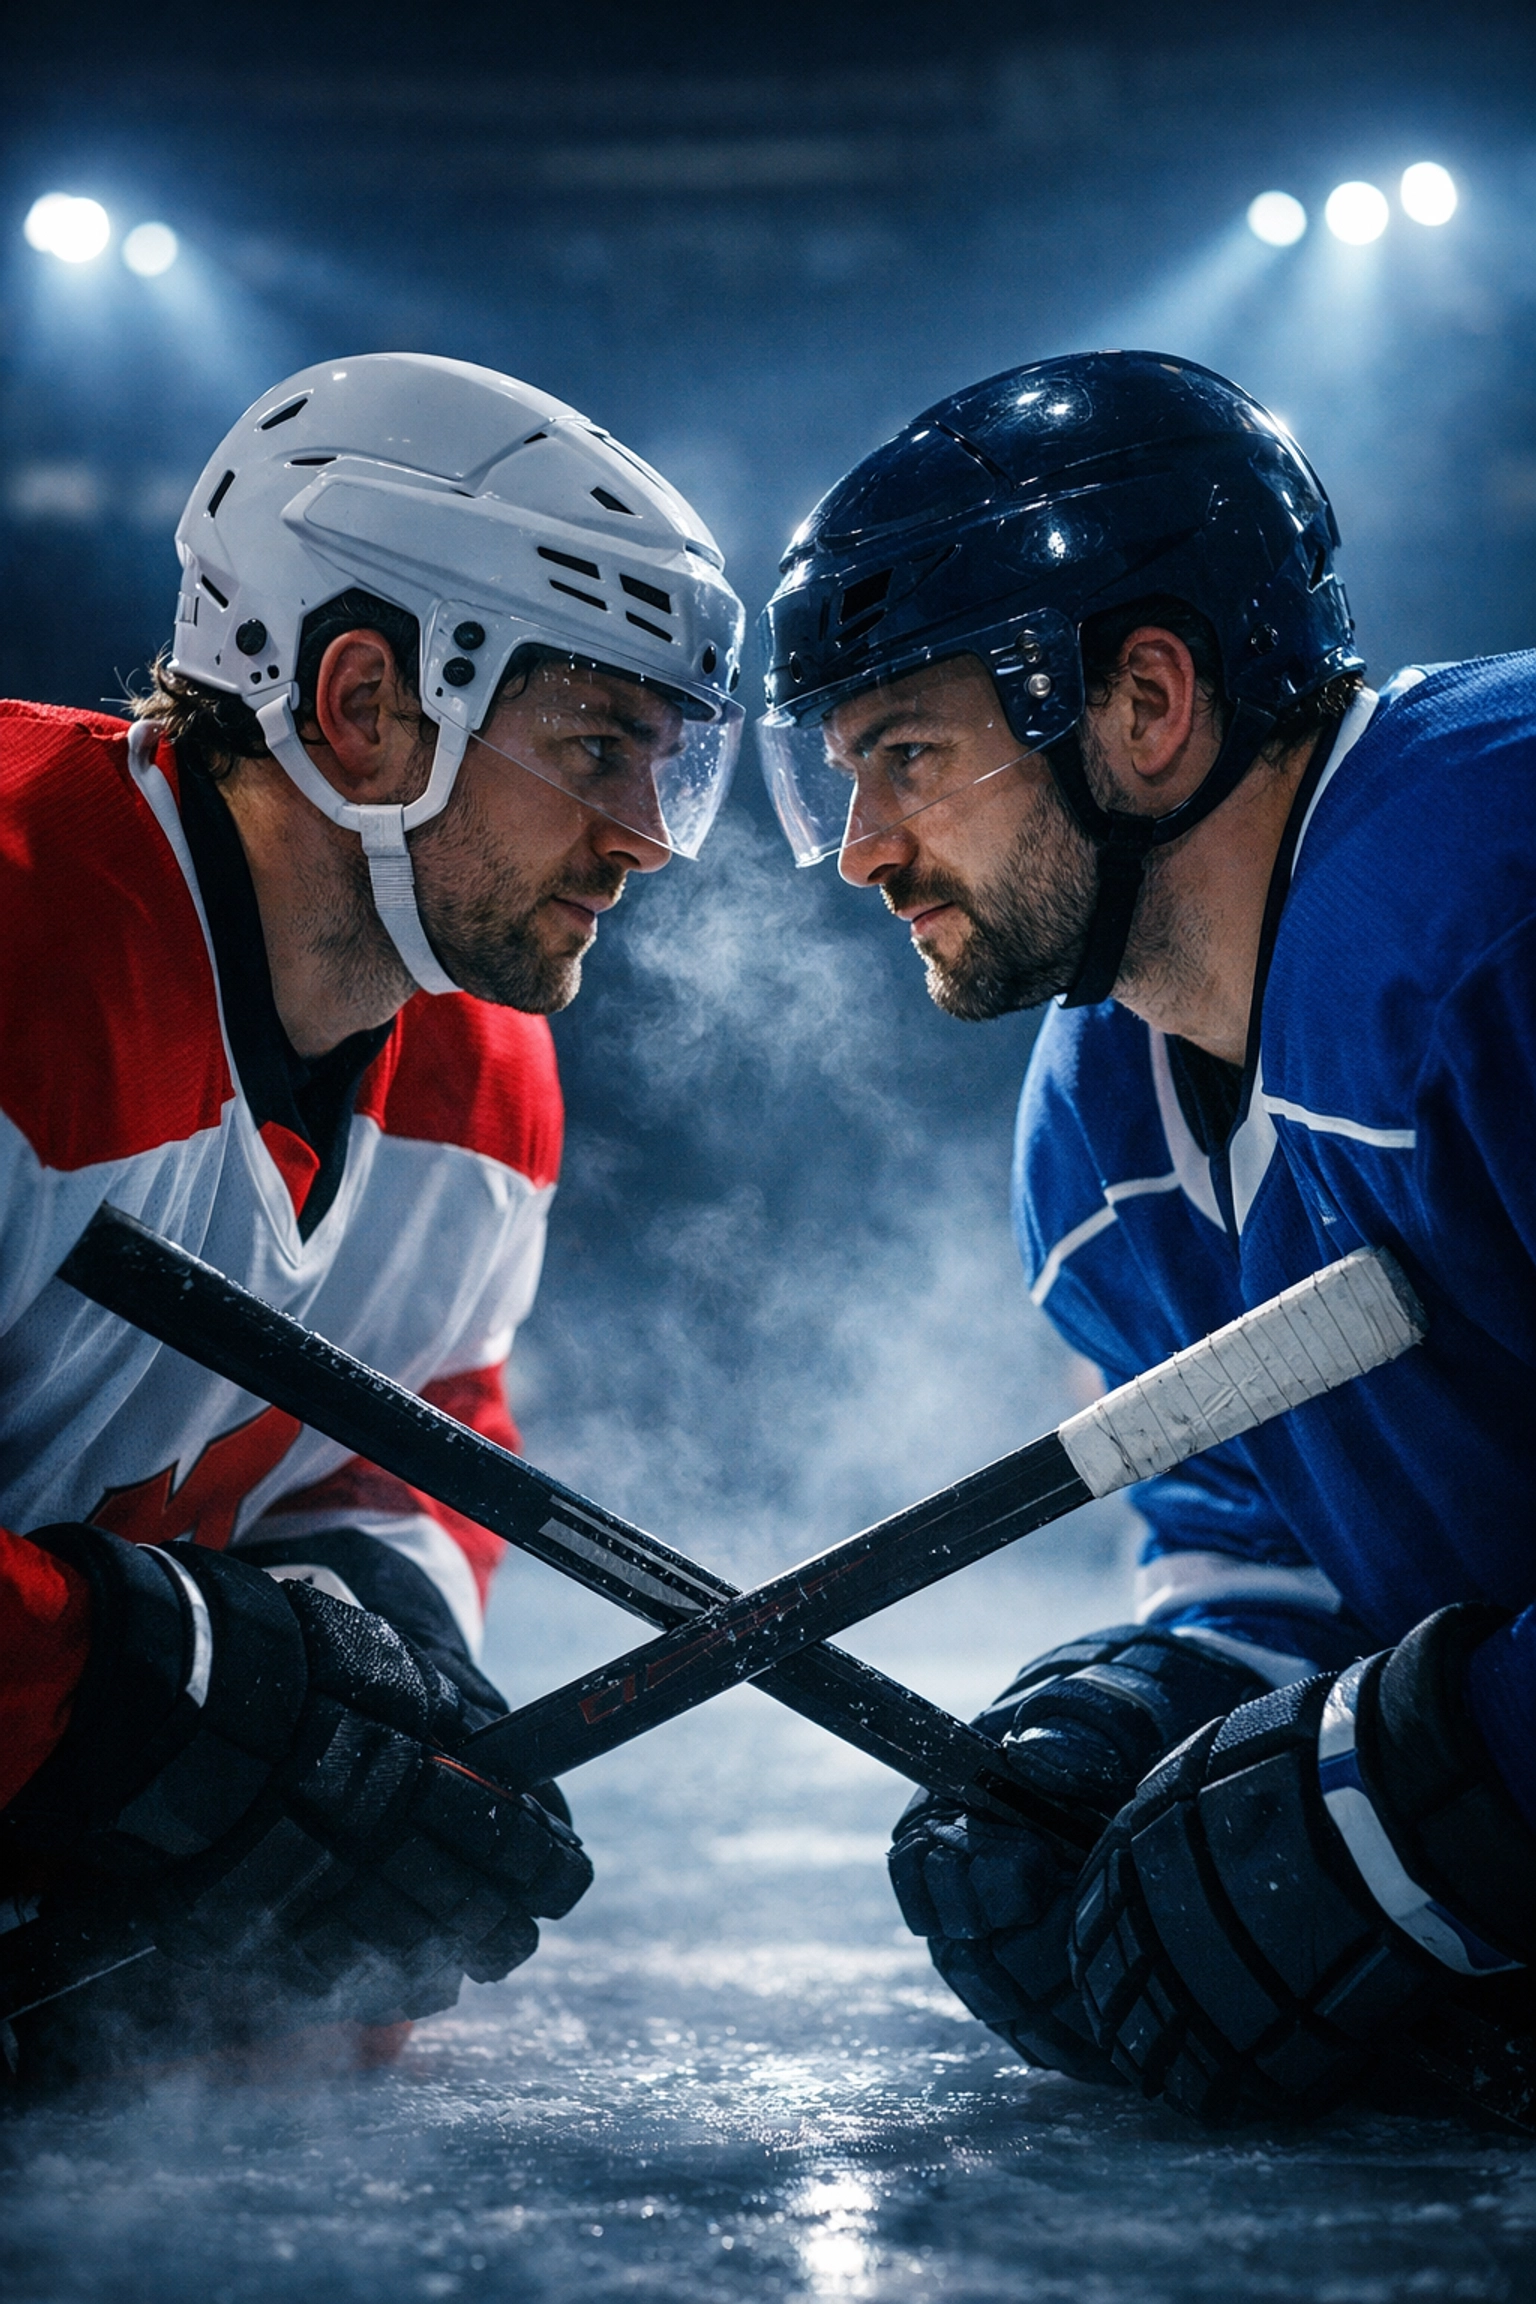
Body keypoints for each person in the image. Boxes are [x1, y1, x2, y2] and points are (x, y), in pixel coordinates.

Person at [756, 351, 1536, 2124]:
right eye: (842, 775)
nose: (862, 848)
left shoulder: (1498, 880)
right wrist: (1161, 1729)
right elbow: (1265, 1547)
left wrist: (1451, 1782)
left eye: (908, 755)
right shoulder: (1097, 1118)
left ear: (1147, 701)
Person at [0, 352, 745, 2079]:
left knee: (312, 2005)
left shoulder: (483, 1072)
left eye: (665, 762)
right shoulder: (23, 928)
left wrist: (377, 1666)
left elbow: (412, 1434)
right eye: (593, 748)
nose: (646, 837)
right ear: (362, 704)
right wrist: (144, 1694)